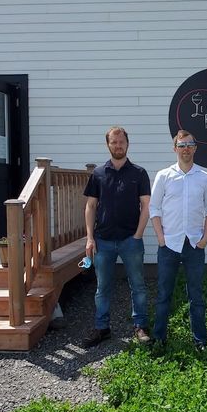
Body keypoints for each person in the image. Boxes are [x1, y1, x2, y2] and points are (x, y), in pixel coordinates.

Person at [82, 126, 152, 347]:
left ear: (127, 143)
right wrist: (90, 238)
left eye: (121, 141)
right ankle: (102, 328)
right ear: (108, 145)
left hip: (130, 240)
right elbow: (90, 206)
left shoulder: (139, 173)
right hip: (103, 241)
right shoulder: (99, 174)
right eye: (114, 142)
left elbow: (146, 206)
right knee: (102, 287)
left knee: (138, 285)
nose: (118, 145)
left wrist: (138, 235)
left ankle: (140, 326)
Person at [150, 130, 207, 350]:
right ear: (175, 148)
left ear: (195, 148)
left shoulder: (204, 178)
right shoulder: (164, 176)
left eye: (190, 144)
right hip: (169, 244)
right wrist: (160, 237)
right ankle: (159, 338)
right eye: (181, 145)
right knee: (163, 295)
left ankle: (200, 340)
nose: (186, 148)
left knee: (196, 296)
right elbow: (154, 208)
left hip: (194, 244)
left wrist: (205, 238)